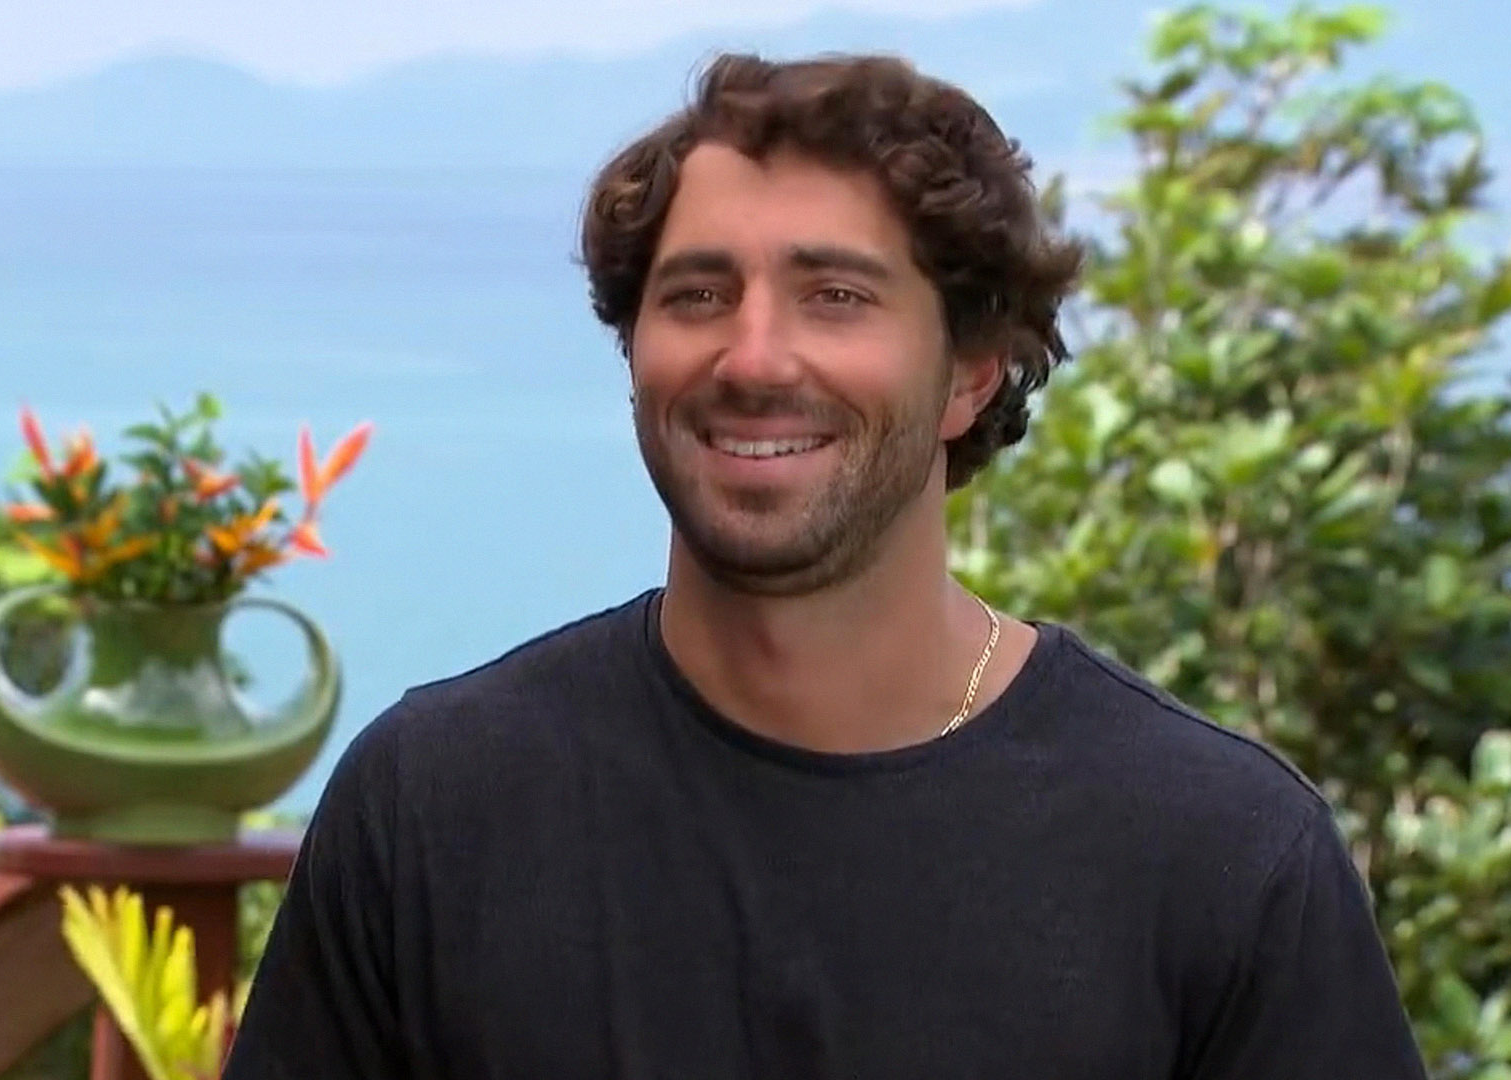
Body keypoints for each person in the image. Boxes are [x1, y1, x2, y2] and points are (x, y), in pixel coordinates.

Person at [222, 52, 1426, 1079]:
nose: (754, 357)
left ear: (970, 374)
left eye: (836, 295)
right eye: (699, 293)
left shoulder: (1219, 857)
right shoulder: (434, 809)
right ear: (636, 351)